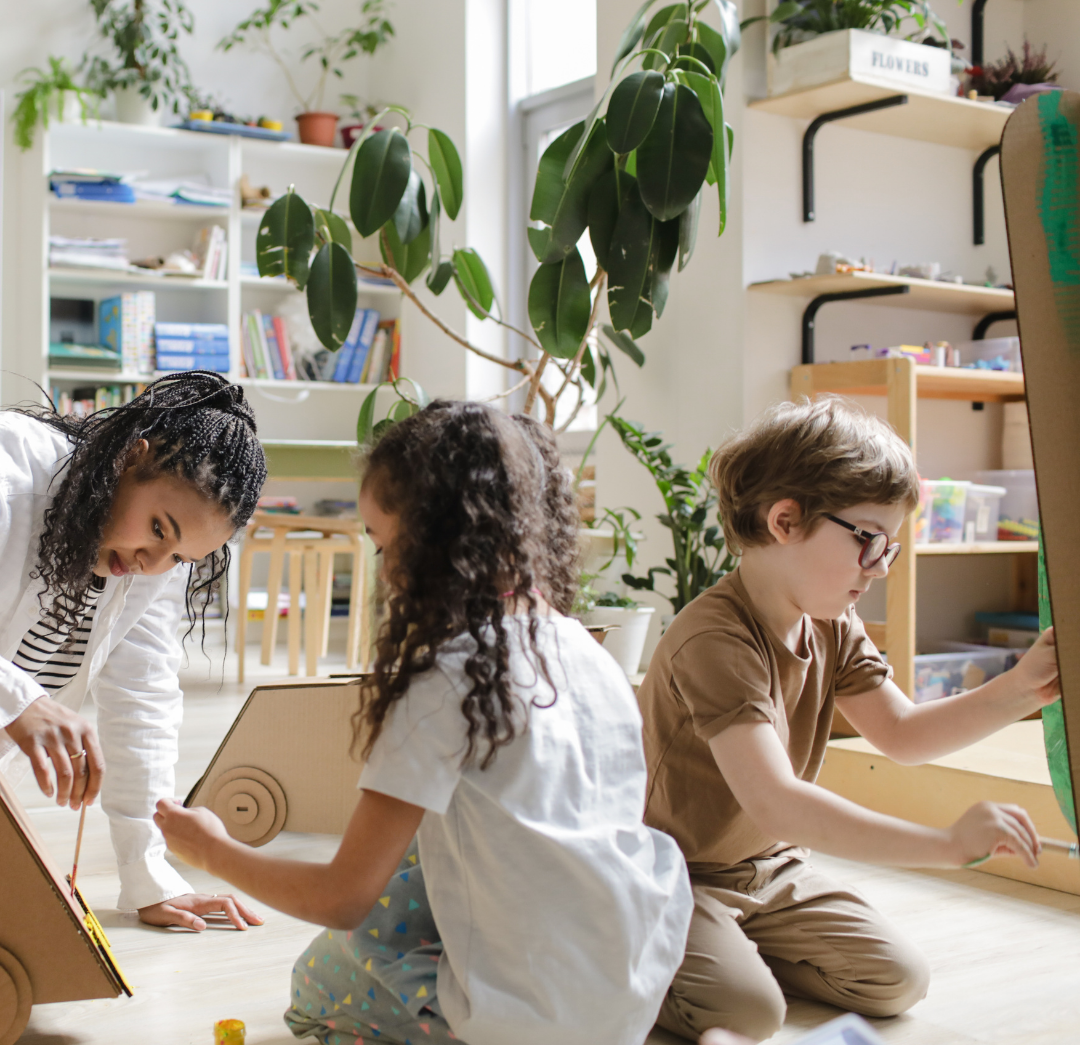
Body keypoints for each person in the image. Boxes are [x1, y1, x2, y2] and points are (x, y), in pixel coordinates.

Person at [155, 400, 693, 1045]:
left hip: (523, 1022)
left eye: (384, 544)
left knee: (318, 990)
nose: (383, 572)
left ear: (438, 540)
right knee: (428, 849)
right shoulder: (587, 652)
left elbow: (341, 898)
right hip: (628, 991)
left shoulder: (450, 680)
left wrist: (212, 849)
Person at [638, 396, 1061, 1044]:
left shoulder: (832, 624)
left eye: (888, 549)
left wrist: (1018, 690)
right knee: (749, 1015)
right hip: (675, 873)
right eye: (867, 541)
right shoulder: (714, 639)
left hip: (771, 870)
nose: (878, 571)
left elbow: (903, 734)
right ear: (785, 520)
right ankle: (646, 942)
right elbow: (777, 801)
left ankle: (729, 951)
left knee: (896, 982)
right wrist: (946, 844)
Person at [0, 372, 268, 932]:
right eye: (155, 528)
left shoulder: (152, 564)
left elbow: (142, 693)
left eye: (178, 557)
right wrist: (20, 699)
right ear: (130, 457)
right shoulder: (9, 471)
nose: (151, 563)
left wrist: (149, 874)